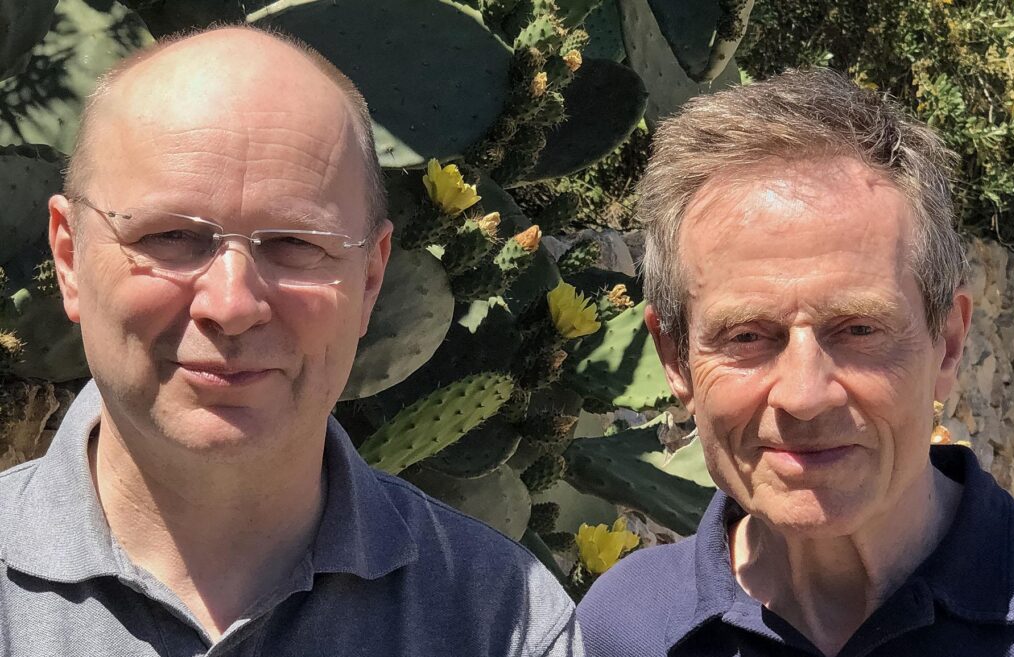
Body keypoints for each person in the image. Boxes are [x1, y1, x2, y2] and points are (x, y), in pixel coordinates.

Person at [0, 26, 581, 656]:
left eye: (296, 244)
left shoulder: (505, 622)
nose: (231, 305)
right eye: (168, 236)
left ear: (370, 278)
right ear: (69, 257)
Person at [578, 68, 1014, 657]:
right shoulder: (623, 629)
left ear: (947, 344)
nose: (804, 394)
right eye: (746, 337)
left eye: (859, 329)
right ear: (676, 360)